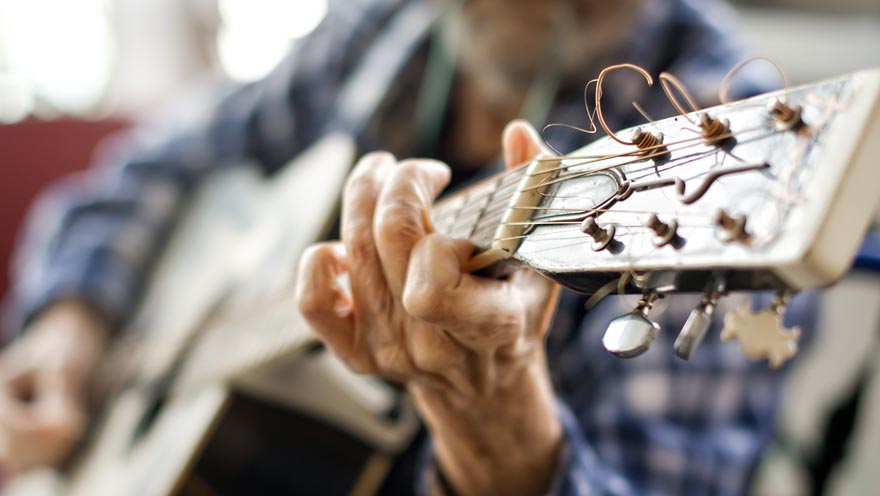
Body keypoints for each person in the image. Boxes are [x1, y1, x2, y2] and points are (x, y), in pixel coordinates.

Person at [1, 0, 811, 493]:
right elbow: (156, 167)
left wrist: (500, 434)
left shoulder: (719, 132)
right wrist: (69, 326)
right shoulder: (379, 26)